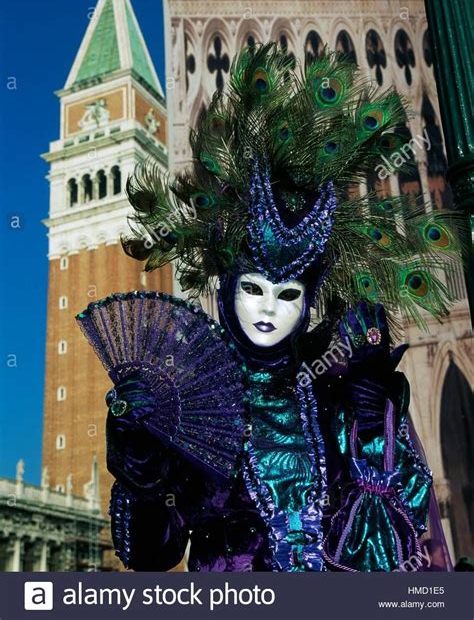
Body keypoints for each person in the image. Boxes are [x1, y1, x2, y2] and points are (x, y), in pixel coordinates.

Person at [80, 44, 460, 571]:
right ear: (227, 289)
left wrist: (371, 432)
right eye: (253, 289)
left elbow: (387, 550)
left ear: (306, 306)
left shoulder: (336, 391)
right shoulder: (193, 404)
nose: (268, 310)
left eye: (287, 296)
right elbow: (150, 554)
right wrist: (140, 456)